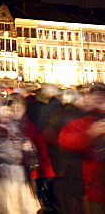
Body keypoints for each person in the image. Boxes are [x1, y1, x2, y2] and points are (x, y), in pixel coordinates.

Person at [58, 83, 105, 214]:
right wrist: (90, 134)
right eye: (94, 96)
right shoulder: (82, 120)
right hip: (93, 187)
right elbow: (65, 141)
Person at [43, 88, 87, 214]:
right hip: (80, 165)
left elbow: (48, 137)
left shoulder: (58, 115)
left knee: (63, 201)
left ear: (65, 100)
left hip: (61, 165)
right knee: (79, 200)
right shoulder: (85, 115)